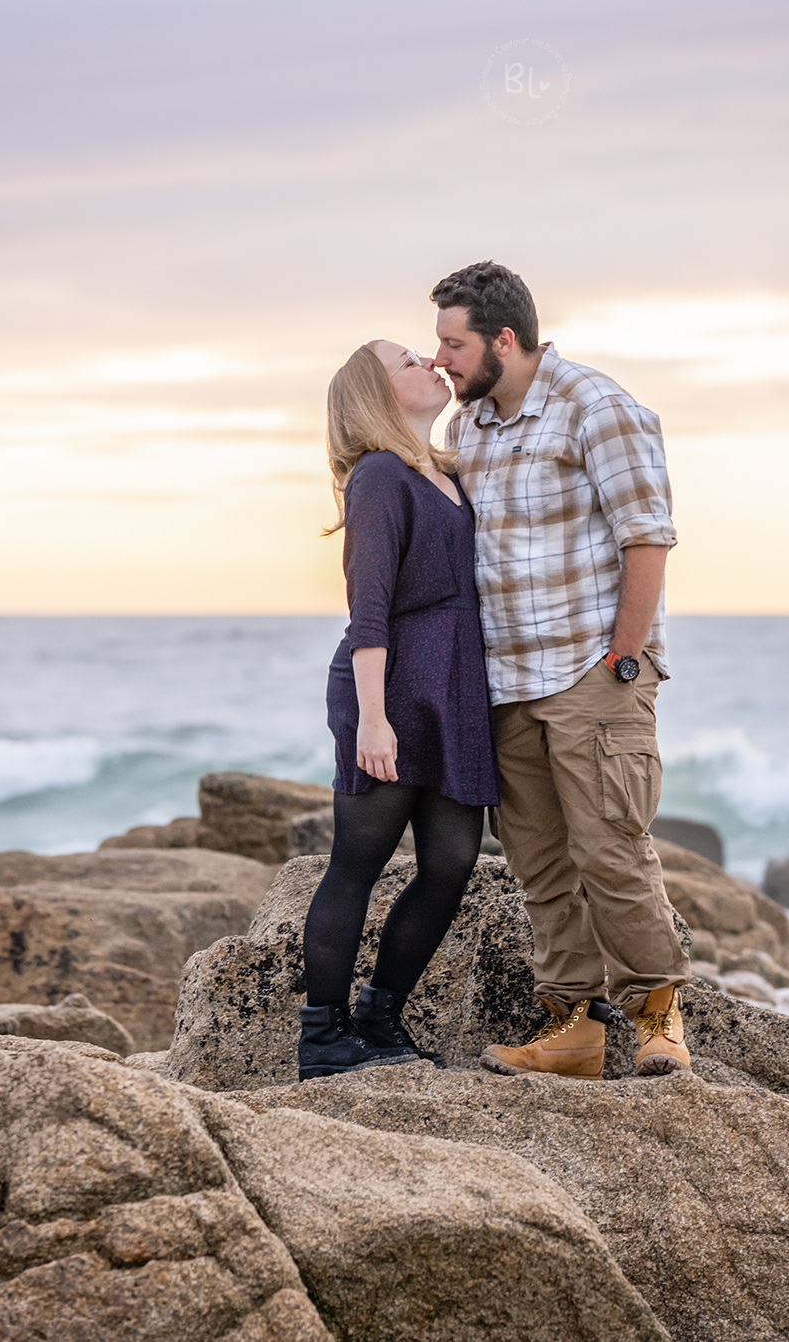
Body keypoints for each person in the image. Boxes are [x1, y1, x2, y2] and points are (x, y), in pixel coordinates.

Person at [429, 261, 692, 1081]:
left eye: (453, 343)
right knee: (540, 865)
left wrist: (624, 657)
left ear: (504, 339)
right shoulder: (467, 429)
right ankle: (572, 1028)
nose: (440, 359)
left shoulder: (597, 407)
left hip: (589, 670)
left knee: (612, 852)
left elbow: (648, 536)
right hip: (506, 683)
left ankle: (658, 1021)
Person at [297, 339, 501, 1081]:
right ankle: (324, 1036)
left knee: (452, 862)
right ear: (376, 393)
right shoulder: (380, 475)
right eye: (409, 360)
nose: (430, 362)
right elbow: (369, 607)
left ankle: (380, 1017)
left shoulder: (446, 471)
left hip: (453, 689)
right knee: (357, 862)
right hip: (391, 687)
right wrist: (373, 719)